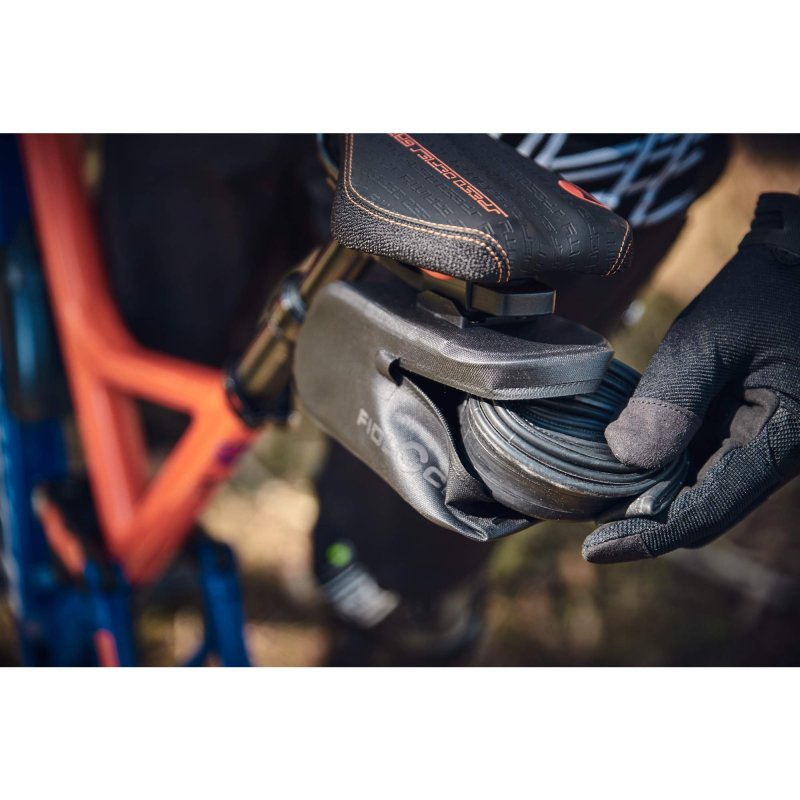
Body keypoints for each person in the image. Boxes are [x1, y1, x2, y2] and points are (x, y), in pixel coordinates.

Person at [97, 133, 800, 665]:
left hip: (556, 186)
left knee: (402, 565)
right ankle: (119, 495)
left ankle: (389, 607)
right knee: (147, 354)